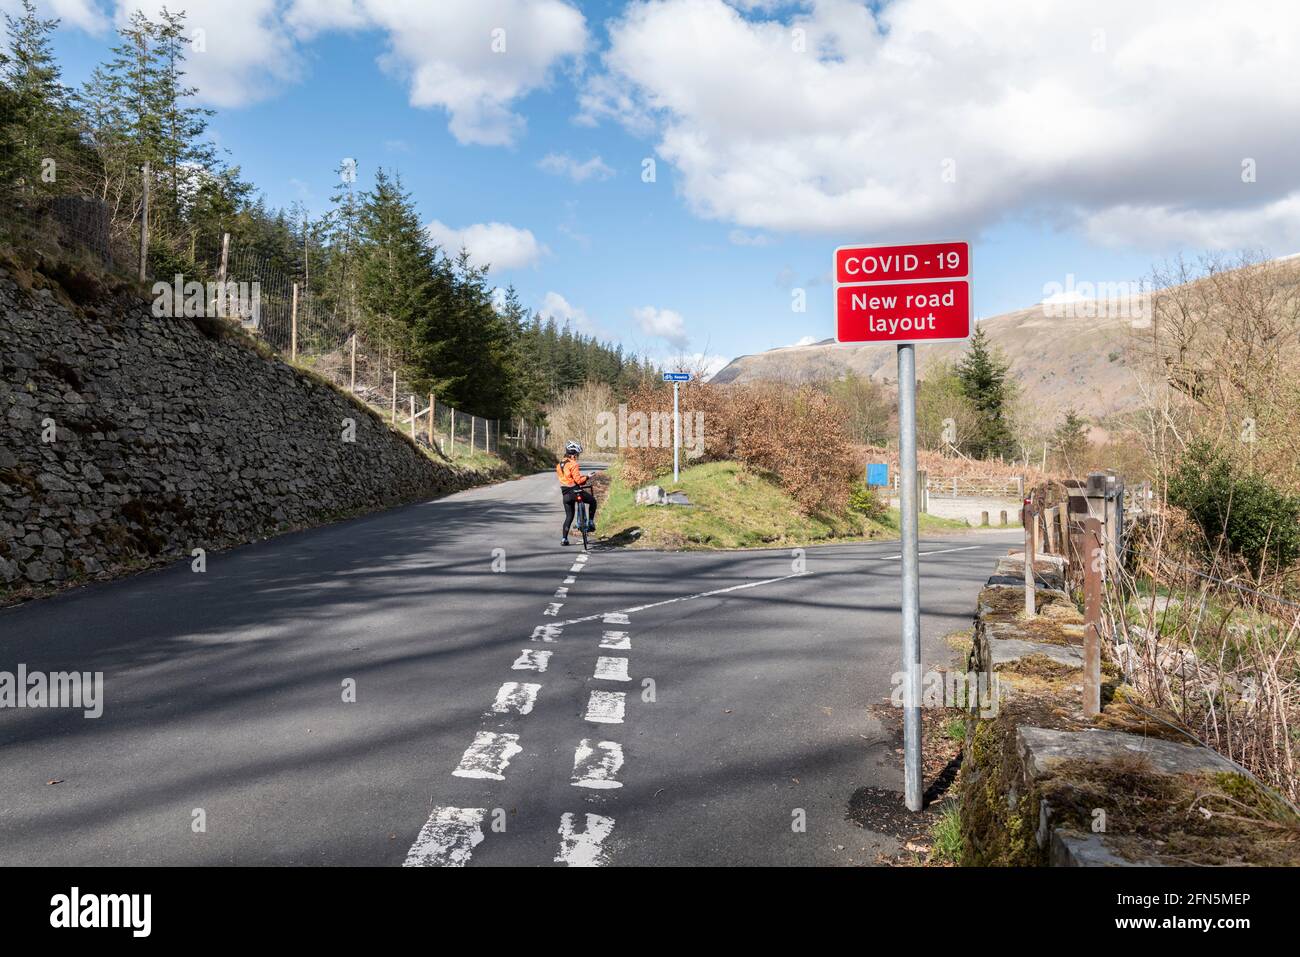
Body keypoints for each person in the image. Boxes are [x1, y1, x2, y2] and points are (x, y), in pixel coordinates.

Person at [556, 440, 596, 545]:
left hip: (565, 494)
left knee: (569, 516)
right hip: (575, 491)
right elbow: (578, 481)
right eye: (577, 454)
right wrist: (587, 476)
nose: (577, 456)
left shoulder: (559, 465)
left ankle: (564, 539)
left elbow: (566, 478)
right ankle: (591, 522)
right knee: (593, 501)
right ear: (573, 453)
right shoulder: (573, 464)